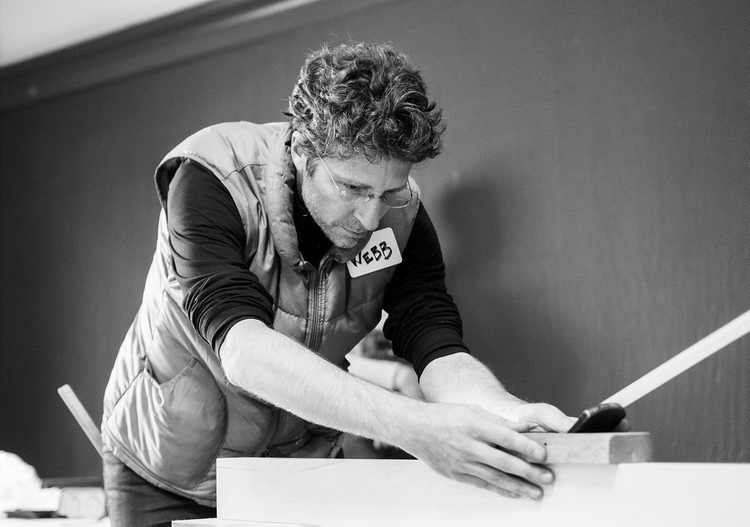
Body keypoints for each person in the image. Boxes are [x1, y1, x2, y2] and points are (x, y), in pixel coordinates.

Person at [101, 42, 576, 526]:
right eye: (352, 188)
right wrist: (415, 428)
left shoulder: (401, 214)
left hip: (293, 466)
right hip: (166, 466)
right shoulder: (211, 178)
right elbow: (243, 349)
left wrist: (505, 415)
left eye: (389, 192)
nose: (370, 218)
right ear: (302, 148)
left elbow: (436, 343)